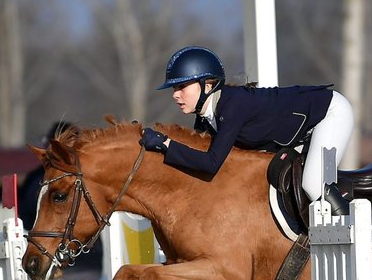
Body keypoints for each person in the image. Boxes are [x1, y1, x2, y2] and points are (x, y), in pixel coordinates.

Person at [138, 46, 354, 212]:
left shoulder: (231, 106)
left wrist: (165, 144)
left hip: (330, 114)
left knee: (313, 184)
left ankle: (362, 251)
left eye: (182, 87)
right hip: (300, 132)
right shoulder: (207, 117)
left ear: (207, 85)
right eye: (175, 88)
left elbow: (211, 164)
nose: (175, 94)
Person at [20, 122, 108, 280]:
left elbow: (28, 216)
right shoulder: (41, 178)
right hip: (78, 267)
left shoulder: (38, 179)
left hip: (78, 265)